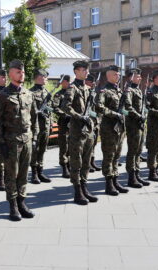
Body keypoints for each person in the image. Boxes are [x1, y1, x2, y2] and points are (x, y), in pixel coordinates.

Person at [0, 60, 38, 221]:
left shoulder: (28, 93)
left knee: (24, 174)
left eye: (23, 72)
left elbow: (34, 117)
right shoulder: (3, 96)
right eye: (18, 72)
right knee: (11, 174)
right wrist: (1, 143)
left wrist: (35, 137)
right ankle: (13, 206)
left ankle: (22, 202)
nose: (22, 74)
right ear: (11, 74)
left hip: (26, 139)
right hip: (11, 141)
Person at [61, 60, 98, 205]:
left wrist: (93, 120)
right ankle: (77, 191)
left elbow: (92, 110)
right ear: (76, 71)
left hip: (88, 130)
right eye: (83, 70)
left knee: (87, 161)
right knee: (77, 162)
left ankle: (84, 187)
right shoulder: (72, 89)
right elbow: (66, 107)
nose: (86, 72)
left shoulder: (88, 89)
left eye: (87, 70)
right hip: (77, 131)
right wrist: (79, 116)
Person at [95, 65, 133, 196]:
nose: (118, 76)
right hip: (109, 128)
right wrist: (114, 114)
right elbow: (99, 107)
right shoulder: (104, 91)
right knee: (109, 156)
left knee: (117, 156)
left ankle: (115, 180)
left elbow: (125, 107)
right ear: (109, 76)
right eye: (115, 74)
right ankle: (109, 183)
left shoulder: (119, 91)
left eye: (118, 74)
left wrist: (125, 111)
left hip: (120, 128)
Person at [124, 68, 150, 188]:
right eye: (137, 76)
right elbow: (128, 106)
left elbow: (143, 106)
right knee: (133, 151)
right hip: (133, 124)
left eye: (140, 76)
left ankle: (137, 174)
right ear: (131, 77)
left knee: (139, 151)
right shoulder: (129, 90)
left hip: (140, 124)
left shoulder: (139, 90)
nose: (140, 78)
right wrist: (139, 115)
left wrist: (144, 114)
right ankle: (131, 177)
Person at [29, 68, 52, 184]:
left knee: (42, 150)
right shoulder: (30, 93)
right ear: (39, 77)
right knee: (35, 150)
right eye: (45, 77)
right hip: (36, 126)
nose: (46, 79)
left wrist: (51, 124)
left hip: (45, 126)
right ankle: (34, 174)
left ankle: (40, 171)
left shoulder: (47, 92)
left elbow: (50, 110)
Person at [52, 75, 71, 178]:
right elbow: (55, 107)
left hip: (73, 123)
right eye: (65, 81)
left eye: (68, 81)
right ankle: (64, 167)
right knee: (64, 145)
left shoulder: (72, 93)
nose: (67, 83)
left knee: (72, 144)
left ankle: (70, 164)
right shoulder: (58, 94)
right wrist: (65, 114)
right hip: (64, 122)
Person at [85, 74, 101, 172]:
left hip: (95, 123)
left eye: (93, 82)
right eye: (91, 82)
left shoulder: (95, 93)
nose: (93, 84)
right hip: (87, 122)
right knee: (87, 145)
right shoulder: (86, 93)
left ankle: (91, 162)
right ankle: (86, 164)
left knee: (93, 144)